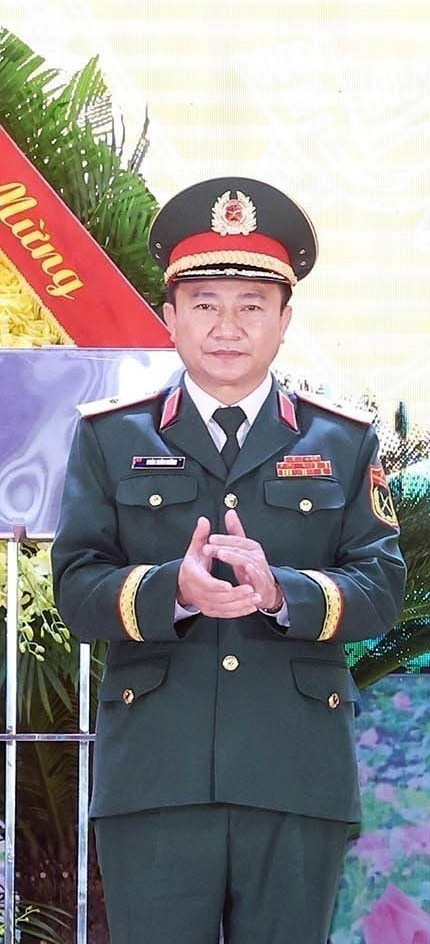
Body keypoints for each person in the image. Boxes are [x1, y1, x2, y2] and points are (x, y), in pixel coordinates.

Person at [52, 177, 407, 944]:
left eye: (251, 305)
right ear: (171, 317)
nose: (227, 325)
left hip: (294, 771)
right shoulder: (112, 436)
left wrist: (283, 592)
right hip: (155, 774)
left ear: (283, 321)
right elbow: (75, 587)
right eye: (206, 302)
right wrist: (166, 591)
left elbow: (381, 588)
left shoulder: (341, 440)